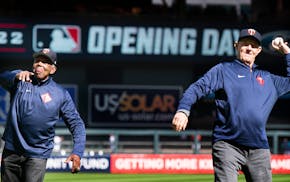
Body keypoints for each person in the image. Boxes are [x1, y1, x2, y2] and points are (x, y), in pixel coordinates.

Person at [172, 28, 290, 182]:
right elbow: (197, 88)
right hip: (228, 145)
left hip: (259, 148)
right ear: (236, 45)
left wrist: (287, 52)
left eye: (253, 46)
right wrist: (183, 110)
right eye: (245, 44)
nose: (249, 48)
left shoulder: (268, 78)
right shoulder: (223, 70)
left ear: (259, 50)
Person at [0, 48, 86, 182]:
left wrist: (77, 152)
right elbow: (2, 77)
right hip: (11, 151)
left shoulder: (60, 94)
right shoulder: (21, 79)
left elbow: (76, 124)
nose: (39, 64)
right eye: (37, 61)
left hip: (37, 154)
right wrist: (15, 76)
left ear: (52, 69)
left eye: (45, 62)